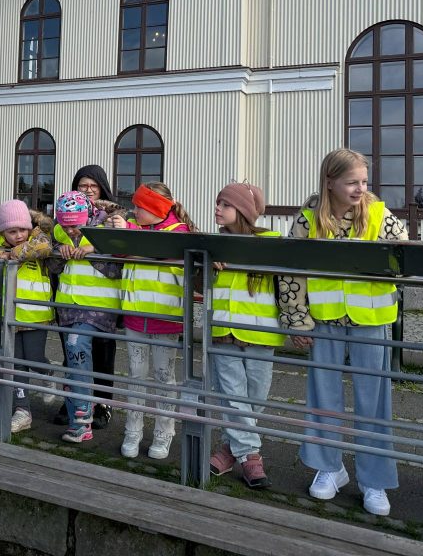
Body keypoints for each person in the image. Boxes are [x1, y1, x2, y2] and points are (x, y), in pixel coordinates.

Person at [278, 148, 406, 517]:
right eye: (352, 182)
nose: (360, 188)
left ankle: (374, 480)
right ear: (330, 181)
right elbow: (291, 270)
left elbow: (405, 256)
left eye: (364, 181)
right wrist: (297, 319)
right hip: (326, 321)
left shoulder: (378, 214)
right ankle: (329, 468)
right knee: (323, 397)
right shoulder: (308, 219)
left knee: (374, 403)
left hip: (371, 322)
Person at [109, 182, 197, 460]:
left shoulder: (178, 232)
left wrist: (129, 235)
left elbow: (158, 250)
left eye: (139, 207)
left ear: (156, 208)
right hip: (135, 316)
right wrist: (122, 235)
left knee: (164, 377)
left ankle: (163, 432)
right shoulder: (136, 229)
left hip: (165, 319)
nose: (134, 211)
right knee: (135, 375)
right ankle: (132, 430)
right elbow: (119, 252)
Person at [207, 182, 283, 489]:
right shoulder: (212, 244)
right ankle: (251, 458)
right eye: (218, 203)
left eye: (225, 204)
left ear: (243, 211)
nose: (217, 209)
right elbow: (198, 284)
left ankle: (229, 449)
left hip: (261, 334)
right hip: (223, 330)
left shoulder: (271, 243)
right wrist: (207, 266)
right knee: (233, 397)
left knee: (254, 398)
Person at [0, 198, 54, 433]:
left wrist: (11, 254)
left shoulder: (38, 236)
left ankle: (48, 373)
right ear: (2, 231)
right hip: (7, 316)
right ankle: (22, 410)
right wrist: (1, 254)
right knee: (15, 364)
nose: (18, 236)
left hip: (35, 315)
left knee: (34, 358)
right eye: (12, 231)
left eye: (22, 230)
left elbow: (44, 247)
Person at [52, 165, 126, 428]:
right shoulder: (62, 218)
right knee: (71, 353)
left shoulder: (113, 218)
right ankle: (74, 402)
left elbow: (120, 254)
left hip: (101, 301)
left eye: (93, 185)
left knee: (102, 354)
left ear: (102, 188)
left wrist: (95, 247)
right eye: (83, 185)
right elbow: (51, 254)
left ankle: (103, 404)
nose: (88, 190)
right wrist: (60, 249)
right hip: (69, 300)